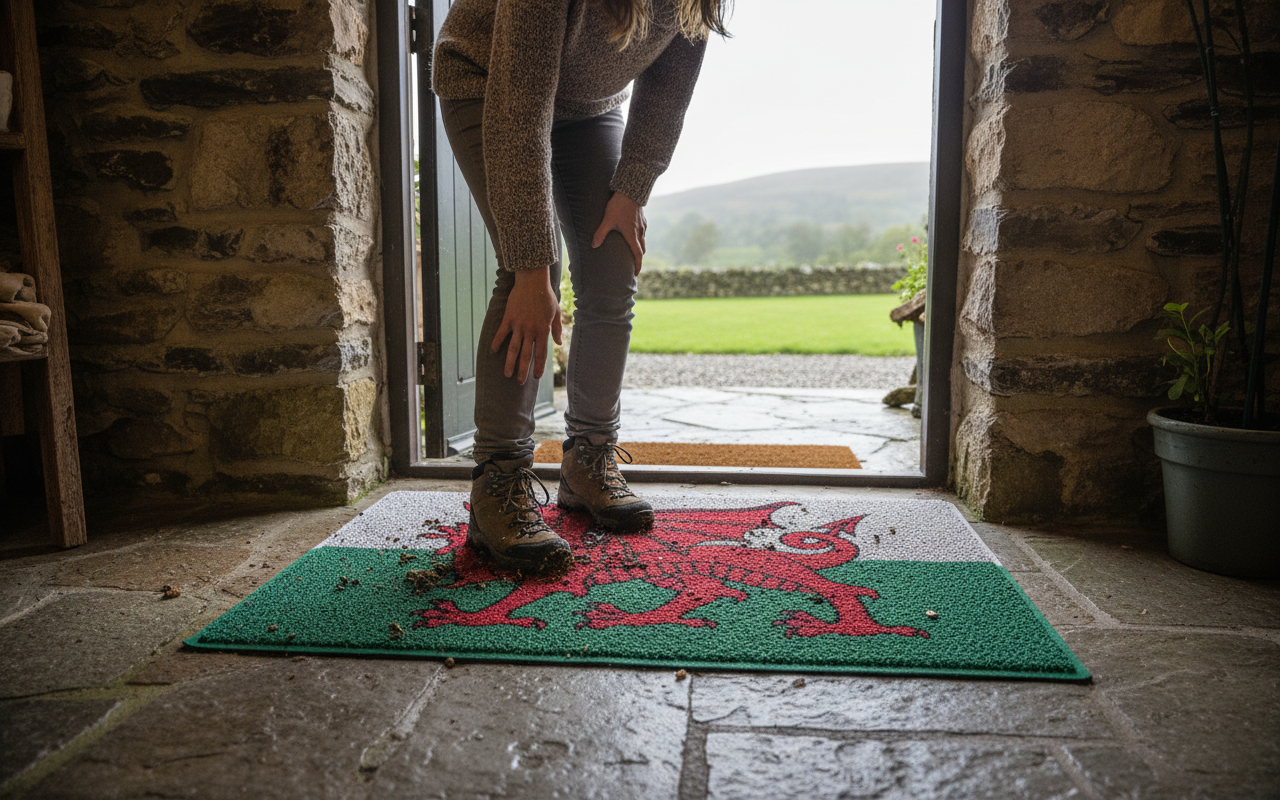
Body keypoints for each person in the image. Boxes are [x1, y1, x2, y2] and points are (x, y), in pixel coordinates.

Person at [432, 0, 729, 574]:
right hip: (489, 84)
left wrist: (632, 188)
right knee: (523, 281)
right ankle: (499, 486)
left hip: (590, 109)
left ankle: (588, 461)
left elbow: (669, 85)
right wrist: (532, 272)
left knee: (613, 268)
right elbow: (520, 110)